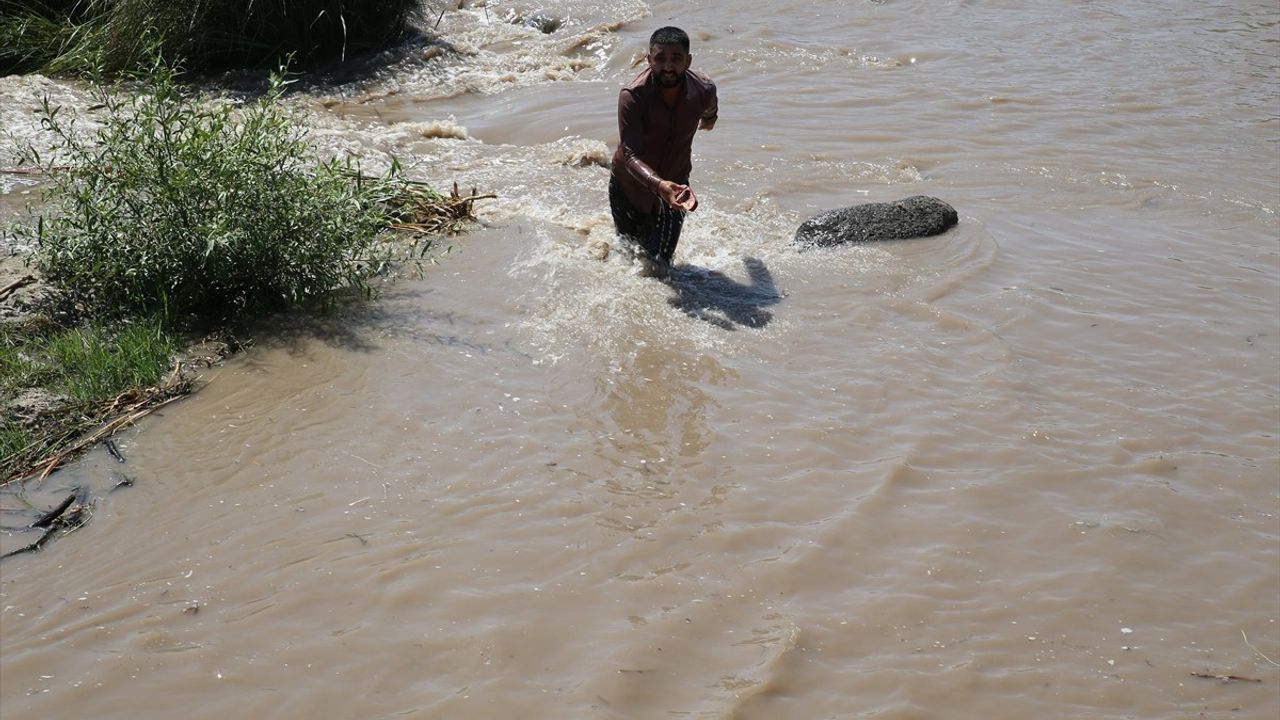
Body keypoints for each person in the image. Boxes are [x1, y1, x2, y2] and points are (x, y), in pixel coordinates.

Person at [610, 26, 718, 272]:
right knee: (629, 257)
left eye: (676, 59)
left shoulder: (703, 90)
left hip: (676, 187)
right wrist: (660, 186)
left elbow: (710, 113)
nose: (668, 67)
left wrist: (709, 122)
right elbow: (629, 155)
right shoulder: (633, 95)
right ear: (649, 59)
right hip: (629, 187)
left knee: (661, 267)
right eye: (660, 59)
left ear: (688, 61)